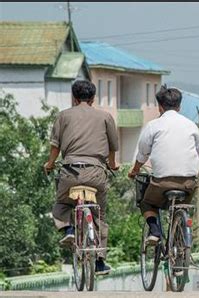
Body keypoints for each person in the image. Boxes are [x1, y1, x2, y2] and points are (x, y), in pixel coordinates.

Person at [44, 80, 119, 275]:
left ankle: (68, 229)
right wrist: (112, 164)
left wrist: (50, 164)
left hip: (70, 172)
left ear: (74, 98)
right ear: (93, 98)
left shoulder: (63, 116)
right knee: (99, 214)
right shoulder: (105, 117)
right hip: (96, 173)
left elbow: (55, 147)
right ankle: (100, 261)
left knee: (62, 202)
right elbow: (112, 147)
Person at [128, 86, 199, 245]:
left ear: (160, 107)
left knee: (147, 202)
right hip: (188, 182)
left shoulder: (153, 126)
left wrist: (135, 171)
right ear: (179, 106)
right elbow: (198, 152)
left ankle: (155, 232)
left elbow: (142, 153)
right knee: (181, 206)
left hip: (162, 182)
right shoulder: (191, 126)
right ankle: (180, 238)